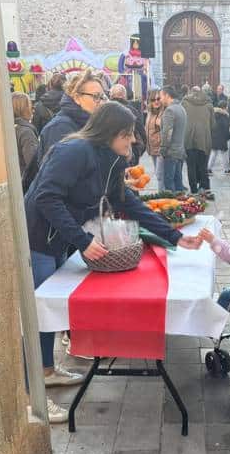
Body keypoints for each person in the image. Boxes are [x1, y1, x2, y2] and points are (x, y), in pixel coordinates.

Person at [24, 102, 202, 422]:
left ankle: (47, 371)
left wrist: (174, 237)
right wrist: (83, 240)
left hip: (60, 239)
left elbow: (128, 202)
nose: (133, 139)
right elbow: (45, 197)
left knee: (48, 311)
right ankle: (32, 397)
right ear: (110, 132)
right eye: (127, 133)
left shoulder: (111, 160)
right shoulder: (75, 151)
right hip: (39, 239)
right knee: (40, 312)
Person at [38, 69, 106, 165]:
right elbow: (55, 174)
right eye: (96, 96)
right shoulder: (59, 128)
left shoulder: (90, 123)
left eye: (102, 97)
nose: (102, 102)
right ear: (77, 98)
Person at [182, 86, 215, 196]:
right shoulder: (208, 104)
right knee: (203, 165)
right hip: (204, 139)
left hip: (188, 139)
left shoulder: (185, 103)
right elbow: (213, 124)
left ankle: (193, 190)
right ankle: (205, 187)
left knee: (190, 166)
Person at [109, 84, 147, 165]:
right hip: (131, 154)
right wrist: (138, 152)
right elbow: (142, 133)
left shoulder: (105, 111)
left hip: (110, 155)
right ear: (124, 96)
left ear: (111, 96)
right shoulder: (132, 111)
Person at [159, 85, 188, 191]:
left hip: (171, 153)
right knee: (178, 183)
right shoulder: (181, 108)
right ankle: (180, 205)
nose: (160, 99)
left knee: (169, 184)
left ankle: (173, 205)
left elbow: (167, 133)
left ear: (167, 95)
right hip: (180, 152)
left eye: (161, 96)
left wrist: (162, 150)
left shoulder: (170, 111)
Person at [12, 92, 40, 193]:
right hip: (26, 185)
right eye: (29, 105)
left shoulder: (9, 128)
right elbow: (33, 163)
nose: (32, 109)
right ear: (23, 109)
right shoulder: (26, 132)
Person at [145, 88, 165, 187]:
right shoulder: (150, 112)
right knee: (159, 175)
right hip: (152, 148)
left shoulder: (163, 112)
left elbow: (167, 129)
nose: (156, 101)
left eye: (158, 99)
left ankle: (163, 197)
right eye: (153, 100)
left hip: (160, 149)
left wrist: (161, 124)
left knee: (160, 175)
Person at [209, 100, 230, 175]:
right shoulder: (224, 116)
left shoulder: (213, 114)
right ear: (224, 107)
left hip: (214, 136)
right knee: (224, 153)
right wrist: (228, 136)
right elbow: (226, 127)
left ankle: (208, 168)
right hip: (221, 137)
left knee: (214, 152)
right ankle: (227, 169)